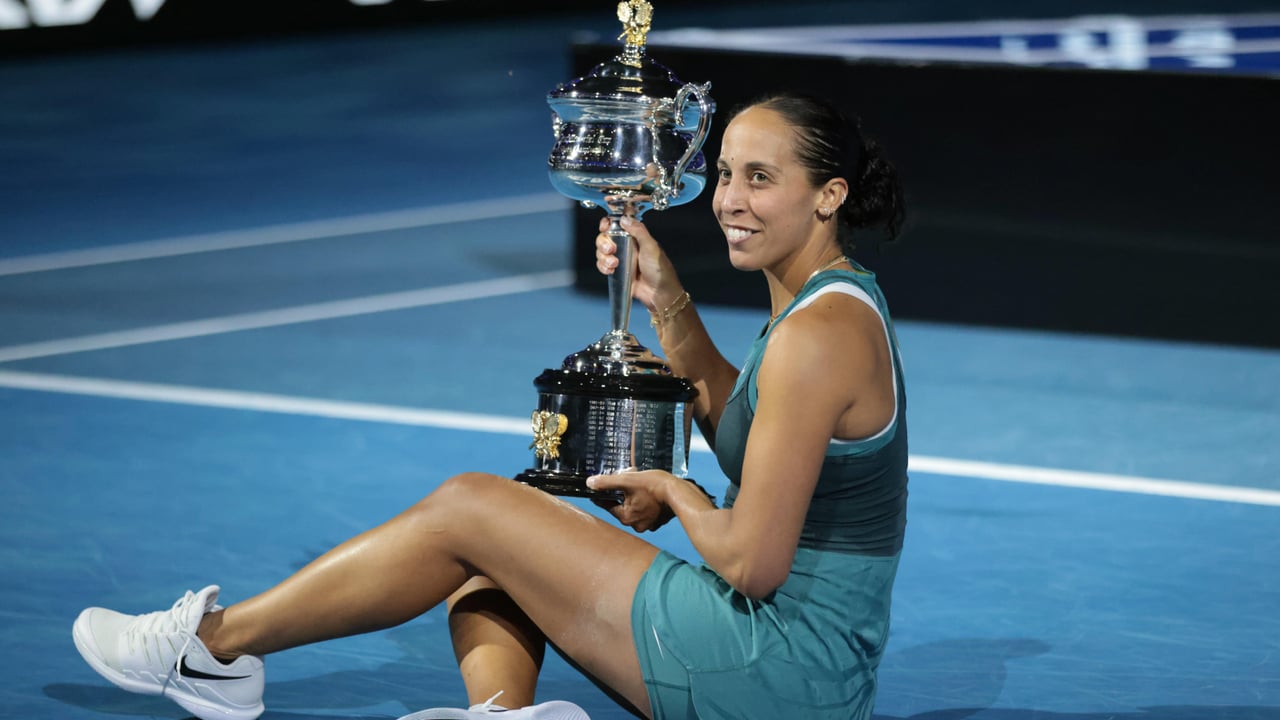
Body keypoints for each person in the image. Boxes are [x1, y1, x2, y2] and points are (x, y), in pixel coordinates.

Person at [71, 90, 909, 720]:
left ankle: (209, 650)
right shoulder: (828, 307)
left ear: (829, 195)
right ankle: (501, 716)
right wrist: (668, 301)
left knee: (470, 507)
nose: (729, 199)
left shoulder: (817, 335)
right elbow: (749, 439)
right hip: (801, 668)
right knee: (511, 525)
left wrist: (671, 487)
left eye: (760, 178)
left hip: (776, 669)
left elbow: (752, 565)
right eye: (724, 173)